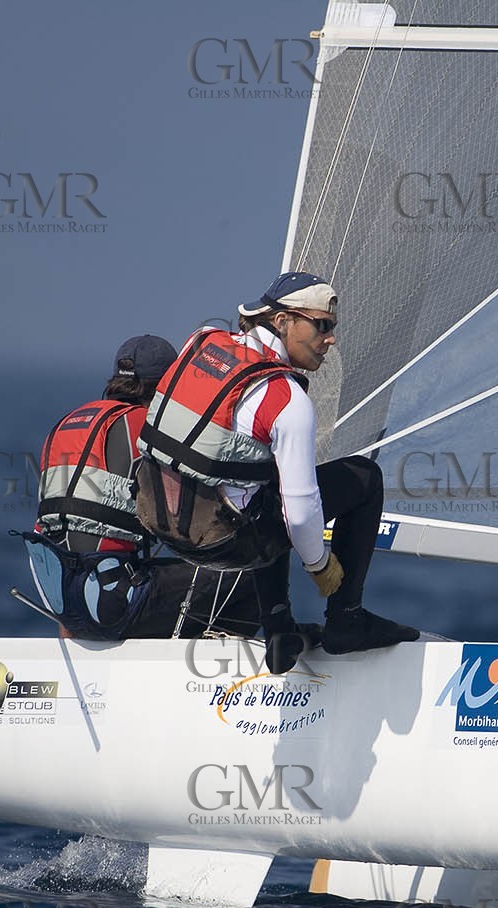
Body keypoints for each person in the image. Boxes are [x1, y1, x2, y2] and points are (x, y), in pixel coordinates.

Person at [134, 271, 417, 672]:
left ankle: (280, 630)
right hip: (223, 542)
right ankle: (346, 619)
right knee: (364, 478)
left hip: (159, 523)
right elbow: (300, 514)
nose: (331, 339)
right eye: (322, 326)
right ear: (282, 321)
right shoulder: (286, 399)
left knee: (262, 484)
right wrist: (320, 565)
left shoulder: (201, 341)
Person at [31, 335, 261, 640]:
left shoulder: (67, 425)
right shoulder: (152, 429)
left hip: (63, 606)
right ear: (169, 386)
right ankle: (211, 667)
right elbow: (188, 517)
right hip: (111, 607)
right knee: (249, 573)